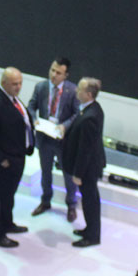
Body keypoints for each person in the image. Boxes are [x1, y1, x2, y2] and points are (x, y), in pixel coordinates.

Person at [0, 67, 34, 248]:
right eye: (14, 84)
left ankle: (7, 223)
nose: (19, 87)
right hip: (5, 162)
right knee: (2, 198)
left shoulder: (9, 97)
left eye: (20, 83)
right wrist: (1, 159)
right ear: (4, 83)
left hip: (17, 156)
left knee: (8, 197)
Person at [27, 58, 79, 222]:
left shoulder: (73, 91)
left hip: (63, 140)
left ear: (66, 75)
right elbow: (31, 106)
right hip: (45, 137)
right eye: (52, 70)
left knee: (68, 175)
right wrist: (33, 119)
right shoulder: (41, 87)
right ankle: (45, 201)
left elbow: (77, 114)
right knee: (45, 172)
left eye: (58, 73)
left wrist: (65, 126)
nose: (54, 75)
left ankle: (71, 204)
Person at [62, 78, 105, 248]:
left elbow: (85, 149)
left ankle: (92, 236)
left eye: (79, 89)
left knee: (90, 201)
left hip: (87, 169)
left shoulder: (90, 117)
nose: (76, 91)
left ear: (88, 94)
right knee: (89, 200)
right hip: (89, 166)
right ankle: (89, 230)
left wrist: (78, 174)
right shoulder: (92, 109)